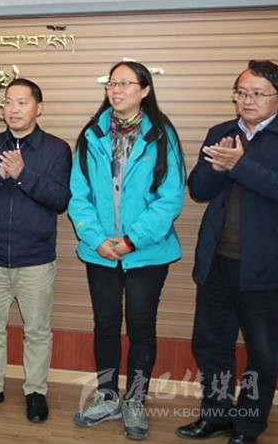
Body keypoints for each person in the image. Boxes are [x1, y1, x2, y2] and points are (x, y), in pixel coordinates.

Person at [68, 60, 186, 441]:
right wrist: (98, 239)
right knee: (105, 324)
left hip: (147, 252)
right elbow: (78, 195)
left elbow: (170, 198)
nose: (116, 91)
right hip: (100, 250)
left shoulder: (162, 135)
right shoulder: (92, 134)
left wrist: (132, 240)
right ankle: (107, 395)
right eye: (111, 84)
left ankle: (135, 398)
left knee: (140, 325)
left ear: (145, 90)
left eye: (125, 84)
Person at [176, 60, 278, 444]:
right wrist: (219, 168)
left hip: (267, 267)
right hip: (217, 261)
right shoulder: (221, 132)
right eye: (241, 93)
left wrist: (240, 166)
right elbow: (199, 189)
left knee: (262, 354)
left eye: (258, 93)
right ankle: (216, 415)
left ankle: (248, 425)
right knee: (211, 345)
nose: (247, 100)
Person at [0, 78, 72, 423]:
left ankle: (35, 391)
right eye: (8, 102)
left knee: (37, 330)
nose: (13, 109)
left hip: (35, 258)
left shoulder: (56, 149)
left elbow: (60, 199)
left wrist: (23, 175)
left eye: (22, 102)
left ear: (39, 108)